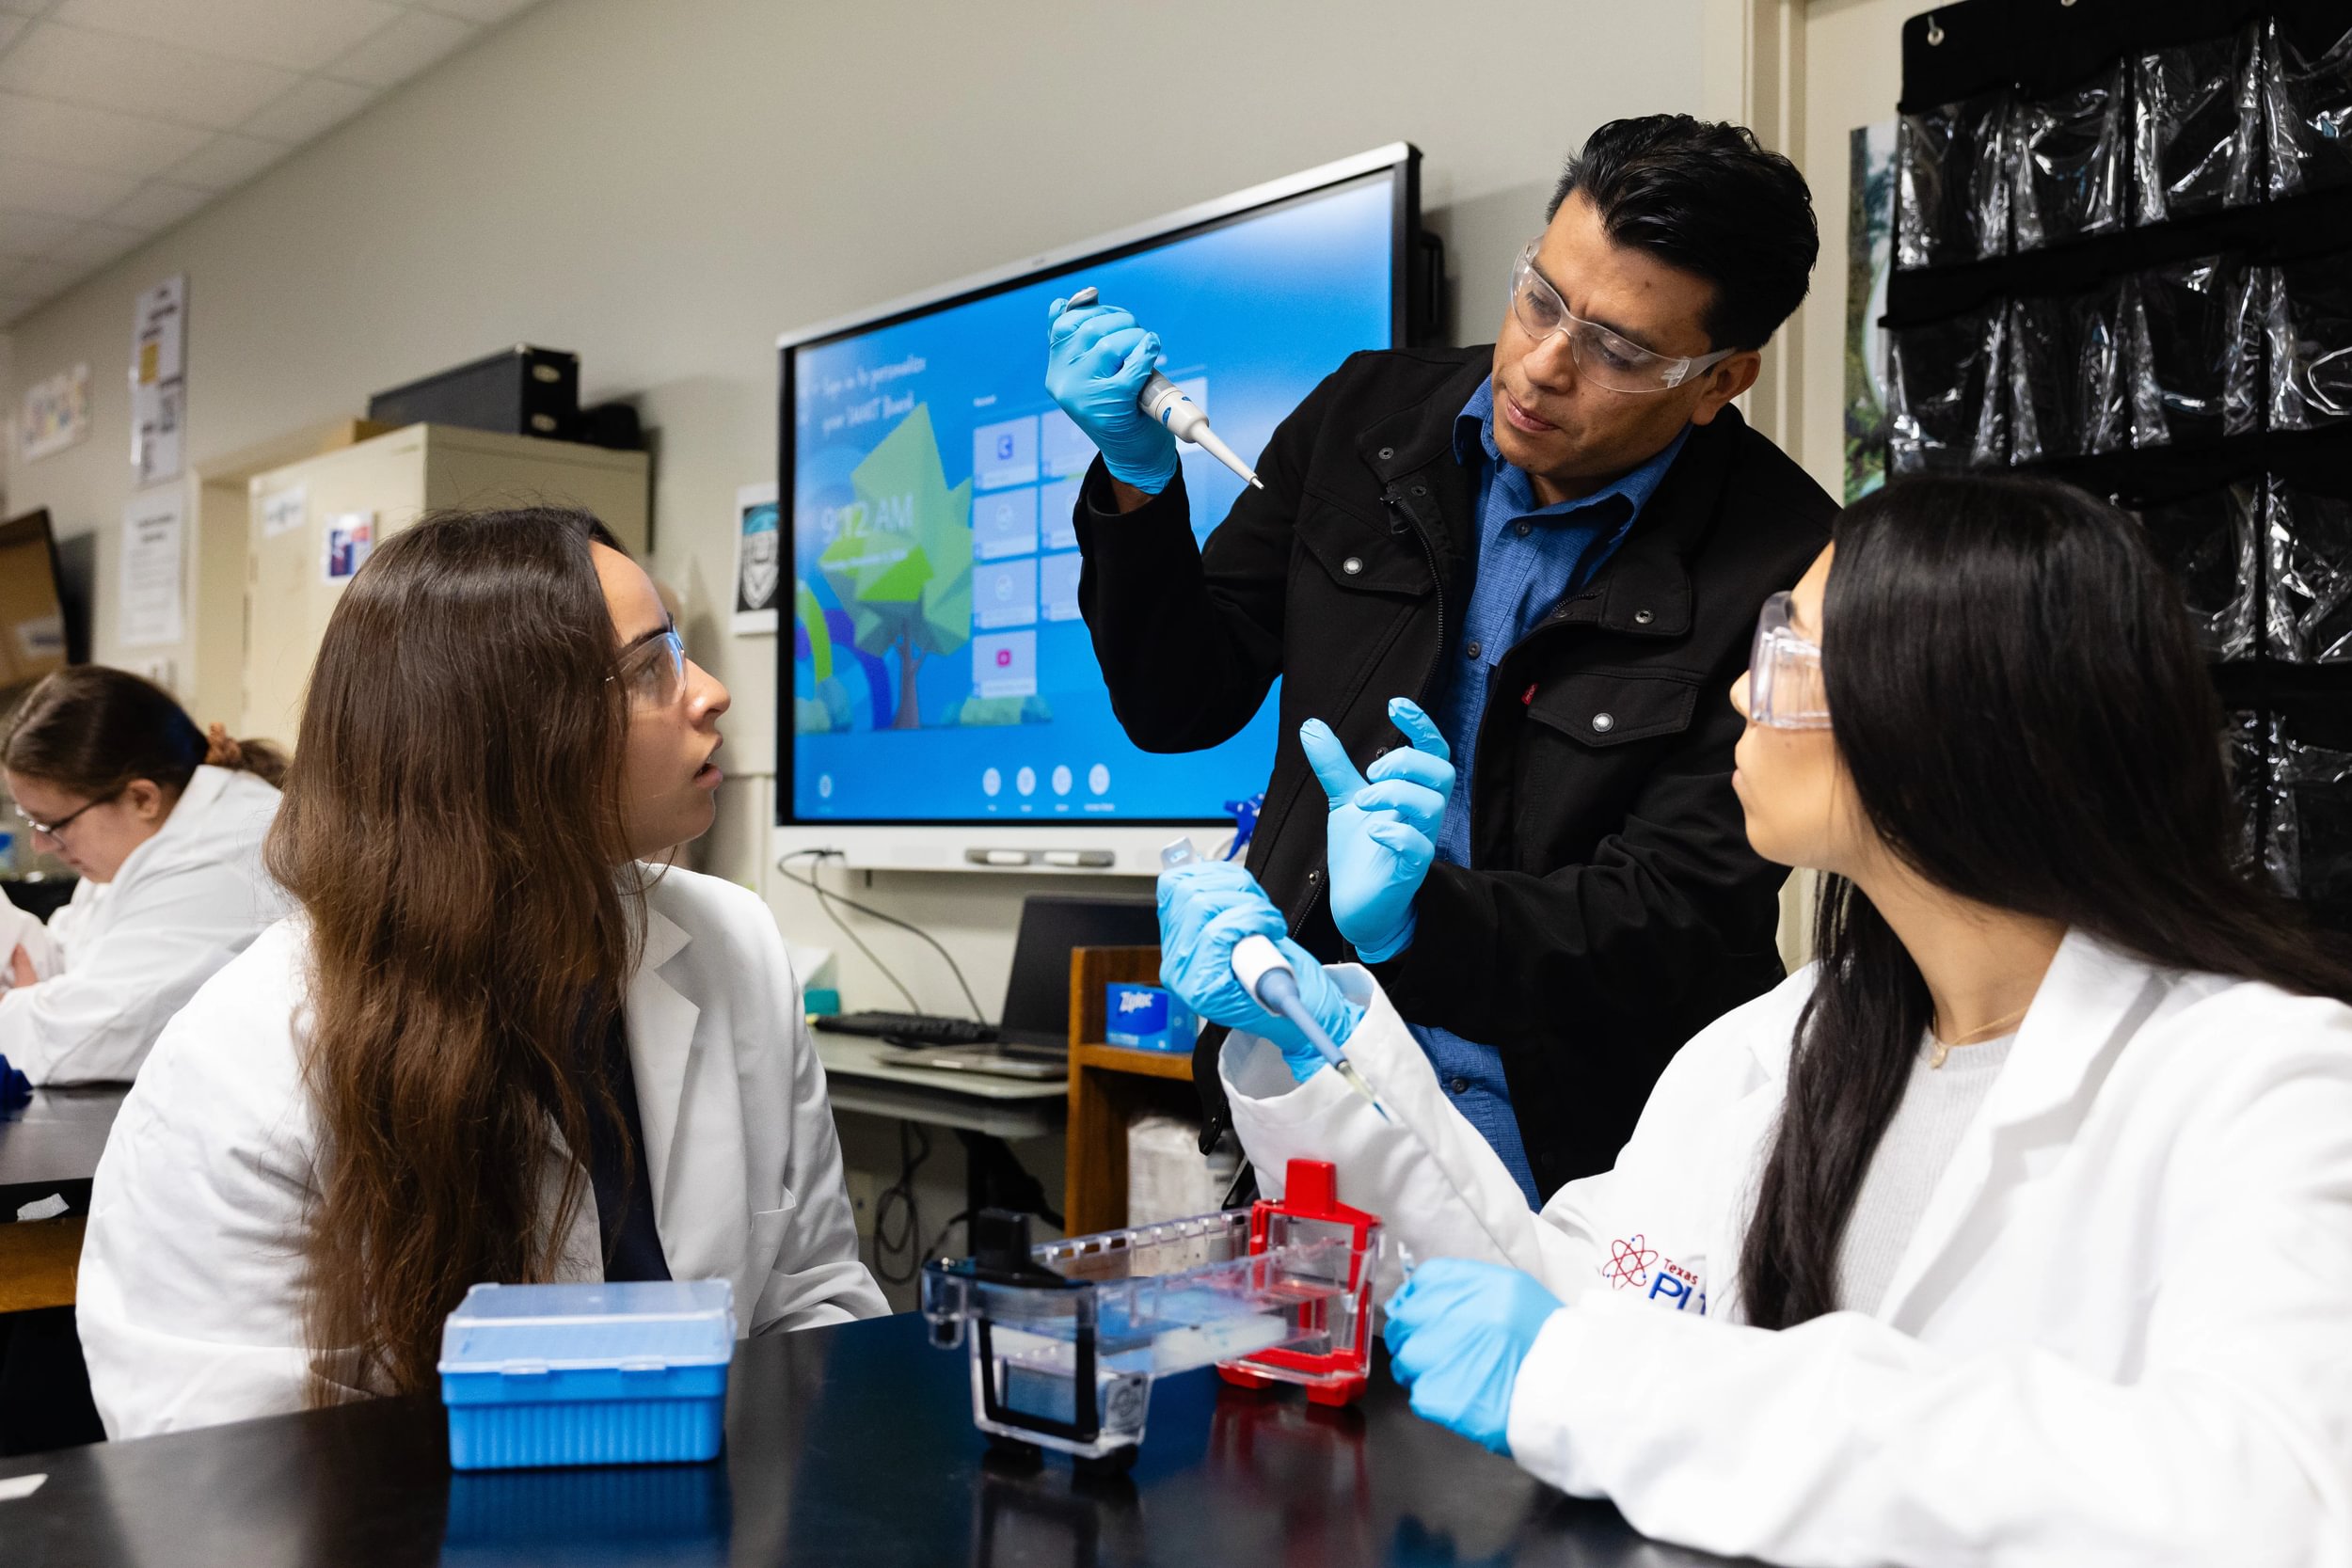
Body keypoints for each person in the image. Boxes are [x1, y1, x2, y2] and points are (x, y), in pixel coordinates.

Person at [1158, 475, 2352, 1565]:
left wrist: (1618, 1384)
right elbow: (1563, 1308)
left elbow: (2273, 1504)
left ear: (1946, 715)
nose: (1740, 685)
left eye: (1790, 647)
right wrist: (1315, 1037)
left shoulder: (2266, 1078)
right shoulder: (1783, 1043)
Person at [1049, 115, 1835, 1204]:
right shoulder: (1365, 420)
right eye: (1542, 298)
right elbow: (1180, 699)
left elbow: (1679, 914)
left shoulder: (1787, 560)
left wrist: (1423, 920)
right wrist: (1135, 487)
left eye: (1618, 350)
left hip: (1583, 1140)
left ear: (1718, 381)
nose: (1545, 364)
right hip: (1315, 1059)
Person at [77, 509, 885, 1438]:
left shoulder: (733, 942)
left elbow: (816, 1296)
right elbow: (232, 1470)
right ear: (507, 736)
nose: (709, 692)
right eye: (653, 664)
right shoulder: (242, 1063)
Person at [0, 668, 287, 1084]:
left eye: (51, 825)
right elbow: (67, 963)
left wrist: (21, 1007)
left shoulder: (219, 860)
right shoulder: (146, 844)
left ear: (142, 798)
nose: (41, 845)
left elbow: (84, 1039)